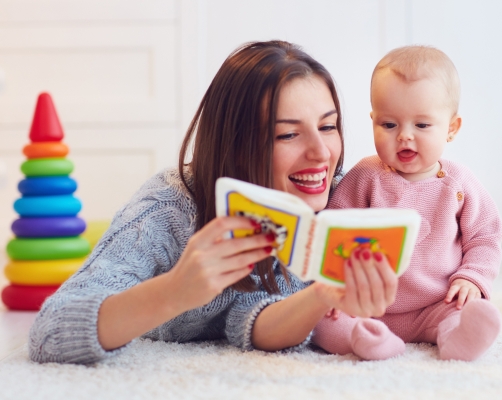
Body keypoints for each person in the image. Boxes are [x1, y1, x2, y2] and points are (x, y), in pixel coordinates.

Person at [28, 40, 398, 364]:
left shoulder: (347, 196)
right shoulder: (169, 210)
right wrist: (175, 291)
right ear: (236, 144)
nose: (321, 153)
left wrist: (323, 295)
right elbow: (50, 332)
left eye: (328, 126)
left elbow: (253, 320)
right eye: (287, 134)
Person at [312, 46, 502, 361]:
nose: (404, 136)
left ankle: (457, 338)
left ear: (451, 128)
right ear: (373, 120)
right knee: (323, 323)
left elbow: (485, 235)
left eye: (422, 125)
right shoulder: (365, 176)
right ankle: (369, 341)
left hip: (435, 303)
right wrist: (332, 286)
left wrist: (472, 277)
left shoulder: (459, 183)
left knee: (461, 309)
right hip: (366, 304)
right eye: (389, 125)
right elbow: (333, 233)